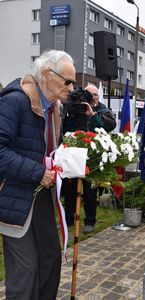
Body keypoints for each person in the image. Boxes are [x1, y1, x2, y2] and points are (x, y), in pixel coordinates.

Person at [0, 49, 76, 299]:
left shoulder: (53, 108)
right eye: (68, 81)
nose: (72, 88)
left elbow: (45, 150)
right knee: (26, 272)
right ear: (46, 75)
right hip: (13, 198)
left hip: (39, 197)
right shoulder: (15, 101)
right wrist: (38, 171)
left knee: (49, 260)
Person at [62, 84, 116, 233]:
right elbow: (65, 129)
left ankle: (90, 221)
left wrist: (93, 114)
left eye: (95, 95)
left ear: (99, 96)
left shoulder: (103, 110)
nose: (93, 97)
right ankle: (68, 219)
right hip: (73, 155)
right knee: (70, 190)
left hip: (93, 157)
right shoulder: (74, 108)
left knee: (90, 192)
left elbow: (109, 126)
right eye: (89, 94)